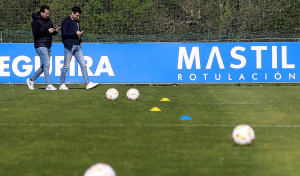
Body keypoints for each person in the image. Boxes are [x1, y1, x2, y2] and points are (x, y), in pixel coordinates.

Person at [59, 6, 99, 90]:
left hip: (77, 47)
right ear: (72, 13)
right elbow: (64, 34)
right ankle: (62, 84)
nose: (77, 17)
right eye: (76, 15)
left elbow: (76, 33)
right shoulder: (66, 22)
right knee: (66, 66)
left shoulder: (77, 22)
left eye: (78, 16)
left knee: (83, 65)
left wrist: (80, 36)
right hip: (69, 47)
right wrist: (75, 34)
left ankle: (88, 83)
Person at [26, 5, 59, 90]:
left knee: (45, 65)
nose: (48, 15)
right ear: (42, 13)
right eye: (46, 13)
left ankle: (31, 79)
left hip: (48, 45)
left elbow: (50, 32)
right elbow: (36, 34)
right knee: (47, 65)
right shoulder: (35, 22)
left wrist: (55, 31)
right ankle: (48, 85)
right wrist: (48, 31)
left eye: (48, 13)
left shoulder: (49, 21)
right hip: (40, 46)